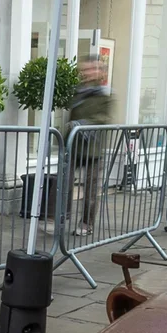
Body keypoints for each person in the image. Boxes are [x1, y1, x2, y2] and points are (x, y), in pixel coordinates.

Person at [65, 56, 113, 237]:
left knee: (91, 189)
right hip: (74, 146)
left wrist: (84, 124)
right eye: (85, 69)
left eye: (92, 69)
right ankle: (56, 216)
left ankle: (86, 223)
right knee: (64, 181)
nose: (87, 72)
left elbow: (104, 118)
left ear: (100, 72)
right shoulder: (78, 92)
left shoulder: (103, 95)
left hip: (93, 149)